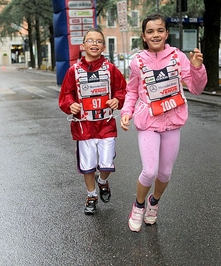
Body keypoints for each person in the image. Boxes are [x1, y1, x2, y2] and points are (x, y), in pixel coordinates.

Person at [120, 13, 207, 232]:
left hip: (172, 121)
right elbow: (131, 90)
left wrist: (196, 68)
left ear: (167, 34)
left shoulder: (178, 57)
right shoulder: (137, 62)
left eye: (160, 30)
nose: (155, 34)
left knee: (165, 173)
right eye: (150, 31)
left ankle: (153, 202)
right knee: (149, 171)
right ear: (144, 36)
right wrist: (126, 111)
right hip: (148, 121)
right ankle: (138, 206)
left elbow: (196, 88)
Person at [58, 28, 127, 215]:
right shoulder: (74, 71)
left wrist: (117, 100)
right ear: (83, 45)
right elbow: (66, 95)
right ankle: (91, 195)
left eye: (98, 41)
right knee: (87, 166)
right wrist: (70, 104)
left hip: (105, 124)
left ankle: (103, 181)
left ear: (104, 46)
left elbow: (122, 90)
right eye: (90, 40)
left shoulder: (110, 69)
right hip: (84, 126)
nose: (94, 44)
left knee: (106, 165)